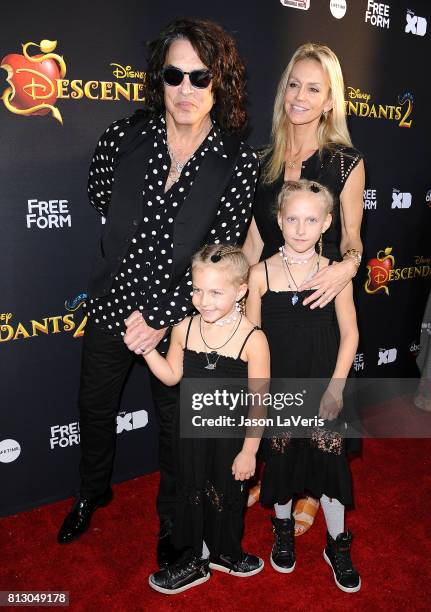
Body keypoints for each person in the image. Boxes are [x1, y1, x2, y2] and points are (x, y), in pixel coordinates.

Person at [57, 19, 259, 564]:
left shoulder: (237, 163)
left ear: (221, 83)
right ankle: (92, 490)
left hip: (181, 319)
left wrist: (163, 316)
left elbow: (220, 251)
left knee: (175, 433)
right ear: (159, 79)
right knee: (94, 409)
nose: (186, 88)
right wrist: (129, 272)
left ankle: (173, 520)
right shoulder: (126, 135)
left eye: (200, 75)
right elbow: (101, 190)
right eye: (174, 75)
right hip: (111, 303)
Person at [243, 42, 365, 533]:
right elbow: (254, 240)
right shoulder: (263, 160)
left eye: (314, 88)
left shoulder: (344, 163)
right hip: (272, 299)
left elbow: (353, 240)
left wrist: (345, 269)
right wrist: (236, 303)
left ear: (329, 100)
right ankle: (275, 477)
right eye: (294, 83)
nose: (300, 95)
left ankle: (315, 491)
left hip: (320, 301)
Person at [134, 244, 270, 594]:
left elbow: (259, 402)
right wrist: (147, 350)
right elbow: (170, 377)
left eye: (215, 292)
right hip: (191, 433)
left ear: (240, 291)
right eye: (197, 290)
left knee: (228, 495)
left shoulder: (253, 339)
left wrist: (249, 452)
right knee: (190, 492)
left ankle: (226, 553)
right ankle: (194, 560)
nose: (203, 300)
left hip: (231, 437)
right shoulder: (184, 327)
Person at [247, 179, 361, 593]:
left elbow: (350, 335)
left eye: (311, 220)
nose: (300, 228)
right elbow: (253, 338)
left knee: (329, 468)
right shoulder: (259, 274)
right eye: (292, 218)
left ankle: (337, 543)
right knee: (281, 464)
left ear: (327, 223)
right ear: (278, 220)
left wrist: (335, 389)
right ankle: (281, 529)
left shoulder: (335, 275)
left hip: (324, 389)